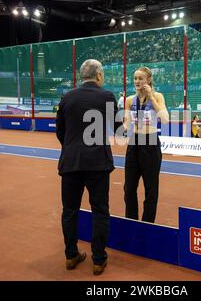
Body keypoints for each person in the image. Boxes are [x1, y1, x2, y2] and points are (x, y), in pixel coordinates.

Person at [56, 59, 121, 276]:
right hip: (97, 164)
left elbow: (60, 133)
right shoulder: (107, 96)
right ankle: (98, 260)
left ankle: (71, 255)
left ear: (81, 76)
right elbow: (119, 129)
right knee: (100, 211)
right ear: (99, 76)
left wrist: (73, 147)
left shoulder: (67, 97)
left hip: (71, 162)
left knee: (70, 211)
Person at [123, 67, 169, 223]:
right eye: (135, 78)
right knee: (129, 188)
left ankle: (147, 224)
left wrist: (151, 97)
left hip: (150, 143)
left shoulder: (157, 96)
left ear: (149, 79)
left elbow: (164, 119)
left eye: (140, 78)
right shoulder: (129, 100)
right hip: (134, 143)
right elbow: (126, 123)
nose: (137, 81)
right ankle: (131, 222)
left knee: (151, 190)